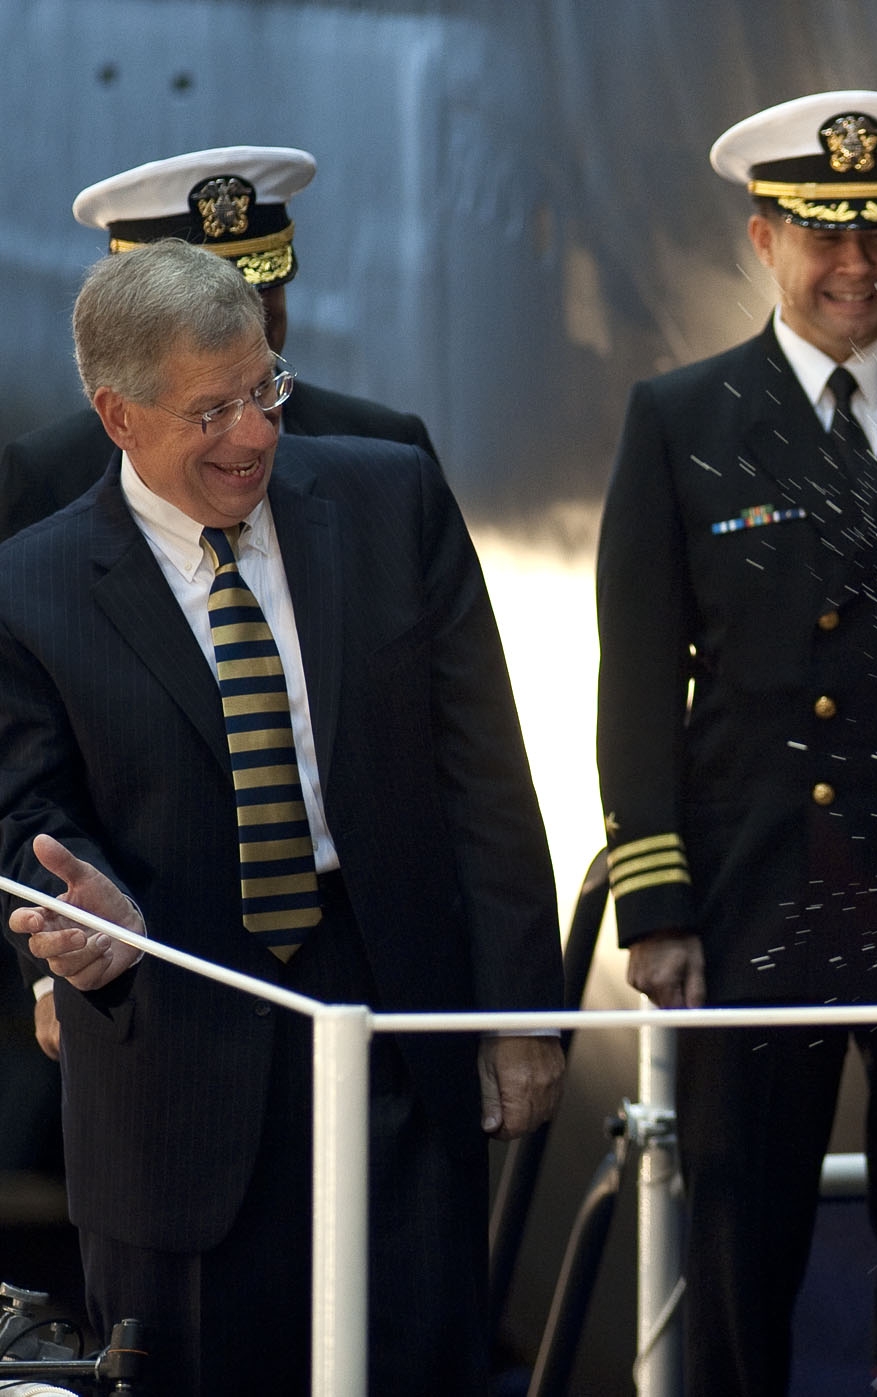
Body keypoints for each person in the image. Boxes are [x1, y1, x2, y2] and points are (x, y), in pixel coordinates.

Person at [0, 239, 564, 1396]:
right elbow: (27, 815)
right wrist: (79, 927)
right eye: (211, 410)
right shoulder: (30, 589)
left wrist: (520, 1012)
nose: (253, 434)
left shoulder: (390, 495)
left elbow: (485, 773)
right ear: (118, 415)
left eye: (266, 390)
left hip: (394, 1031)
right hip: (173, 1053)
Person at [595, 88, 877, 1394]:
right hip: (760, 890)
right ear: (764, 238)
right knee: (744, 1239)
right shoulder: (684, 420)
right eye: (828, 238)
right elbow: (637, 680)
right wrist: (657, 903)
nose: (860, 267)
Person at [3, 145, 442, 1061]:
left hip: (376, 975)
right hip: (161, 1003)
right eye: (209, 407)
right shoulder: (43, 489)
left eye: (263, 297)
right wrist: (54, 960)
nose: (252, 433)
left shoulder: (382, 460)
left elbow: (463, 746)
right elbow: (27, 767)